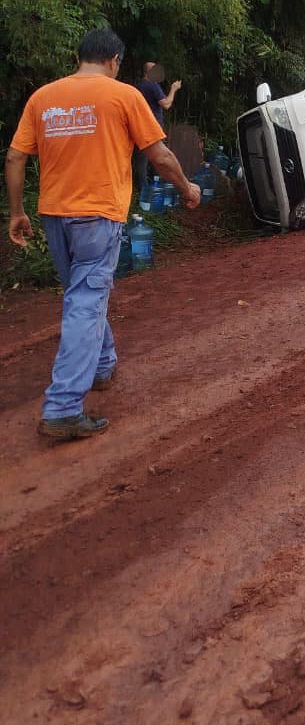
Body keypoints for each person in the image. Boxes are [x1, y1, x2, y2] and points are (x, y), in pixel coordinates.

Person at [5, 28, 201, 441]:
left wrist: (17, 212)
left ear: (81, 57)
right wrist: (187, 189)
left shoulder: (43, 97)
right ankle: (61, 408)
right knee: (85, 300)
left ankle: (102, 364)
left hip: (54, 216)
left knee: (83, 296)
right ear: (114, 60)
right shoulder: (124, 95)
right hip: (97, 215)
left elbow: (16, 155)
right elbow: (160, 156)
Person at [134, 61, 181, 193]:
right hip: (153, 128)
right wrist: (173, 89)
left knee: (142, 159)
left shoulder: (138, 86)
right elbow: (166, 104)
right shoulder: (153, 86)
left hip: (139, 126)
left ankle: (143, 188)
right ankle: (152, 190)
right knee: (158, 158)